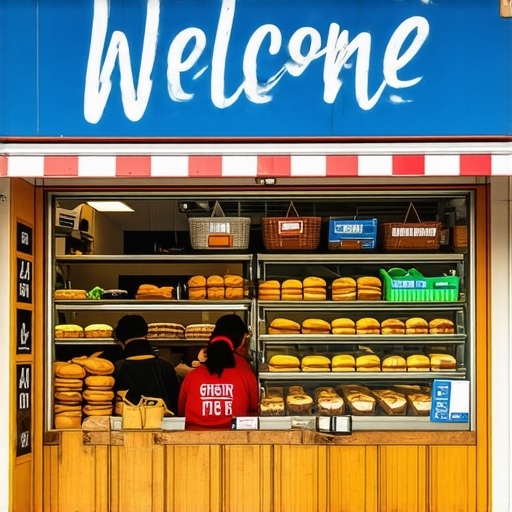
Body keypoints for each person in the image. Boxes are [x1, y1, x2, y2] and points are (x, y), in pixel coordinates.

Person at [178, 314, 259, 430]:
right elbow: (255, 412)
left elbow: (181, 414)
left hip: (192, 444)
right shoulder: (247, 375)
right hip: (236, 442)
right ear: (242, 340)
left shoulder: (191, 377)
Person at [113, 314, 180, 414]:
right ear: (146, 333)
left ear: (120, 342)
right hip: (164, 425)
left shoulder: (117, 368)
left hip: (127, 425)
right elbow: (177, 404)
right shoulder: (166, 366)